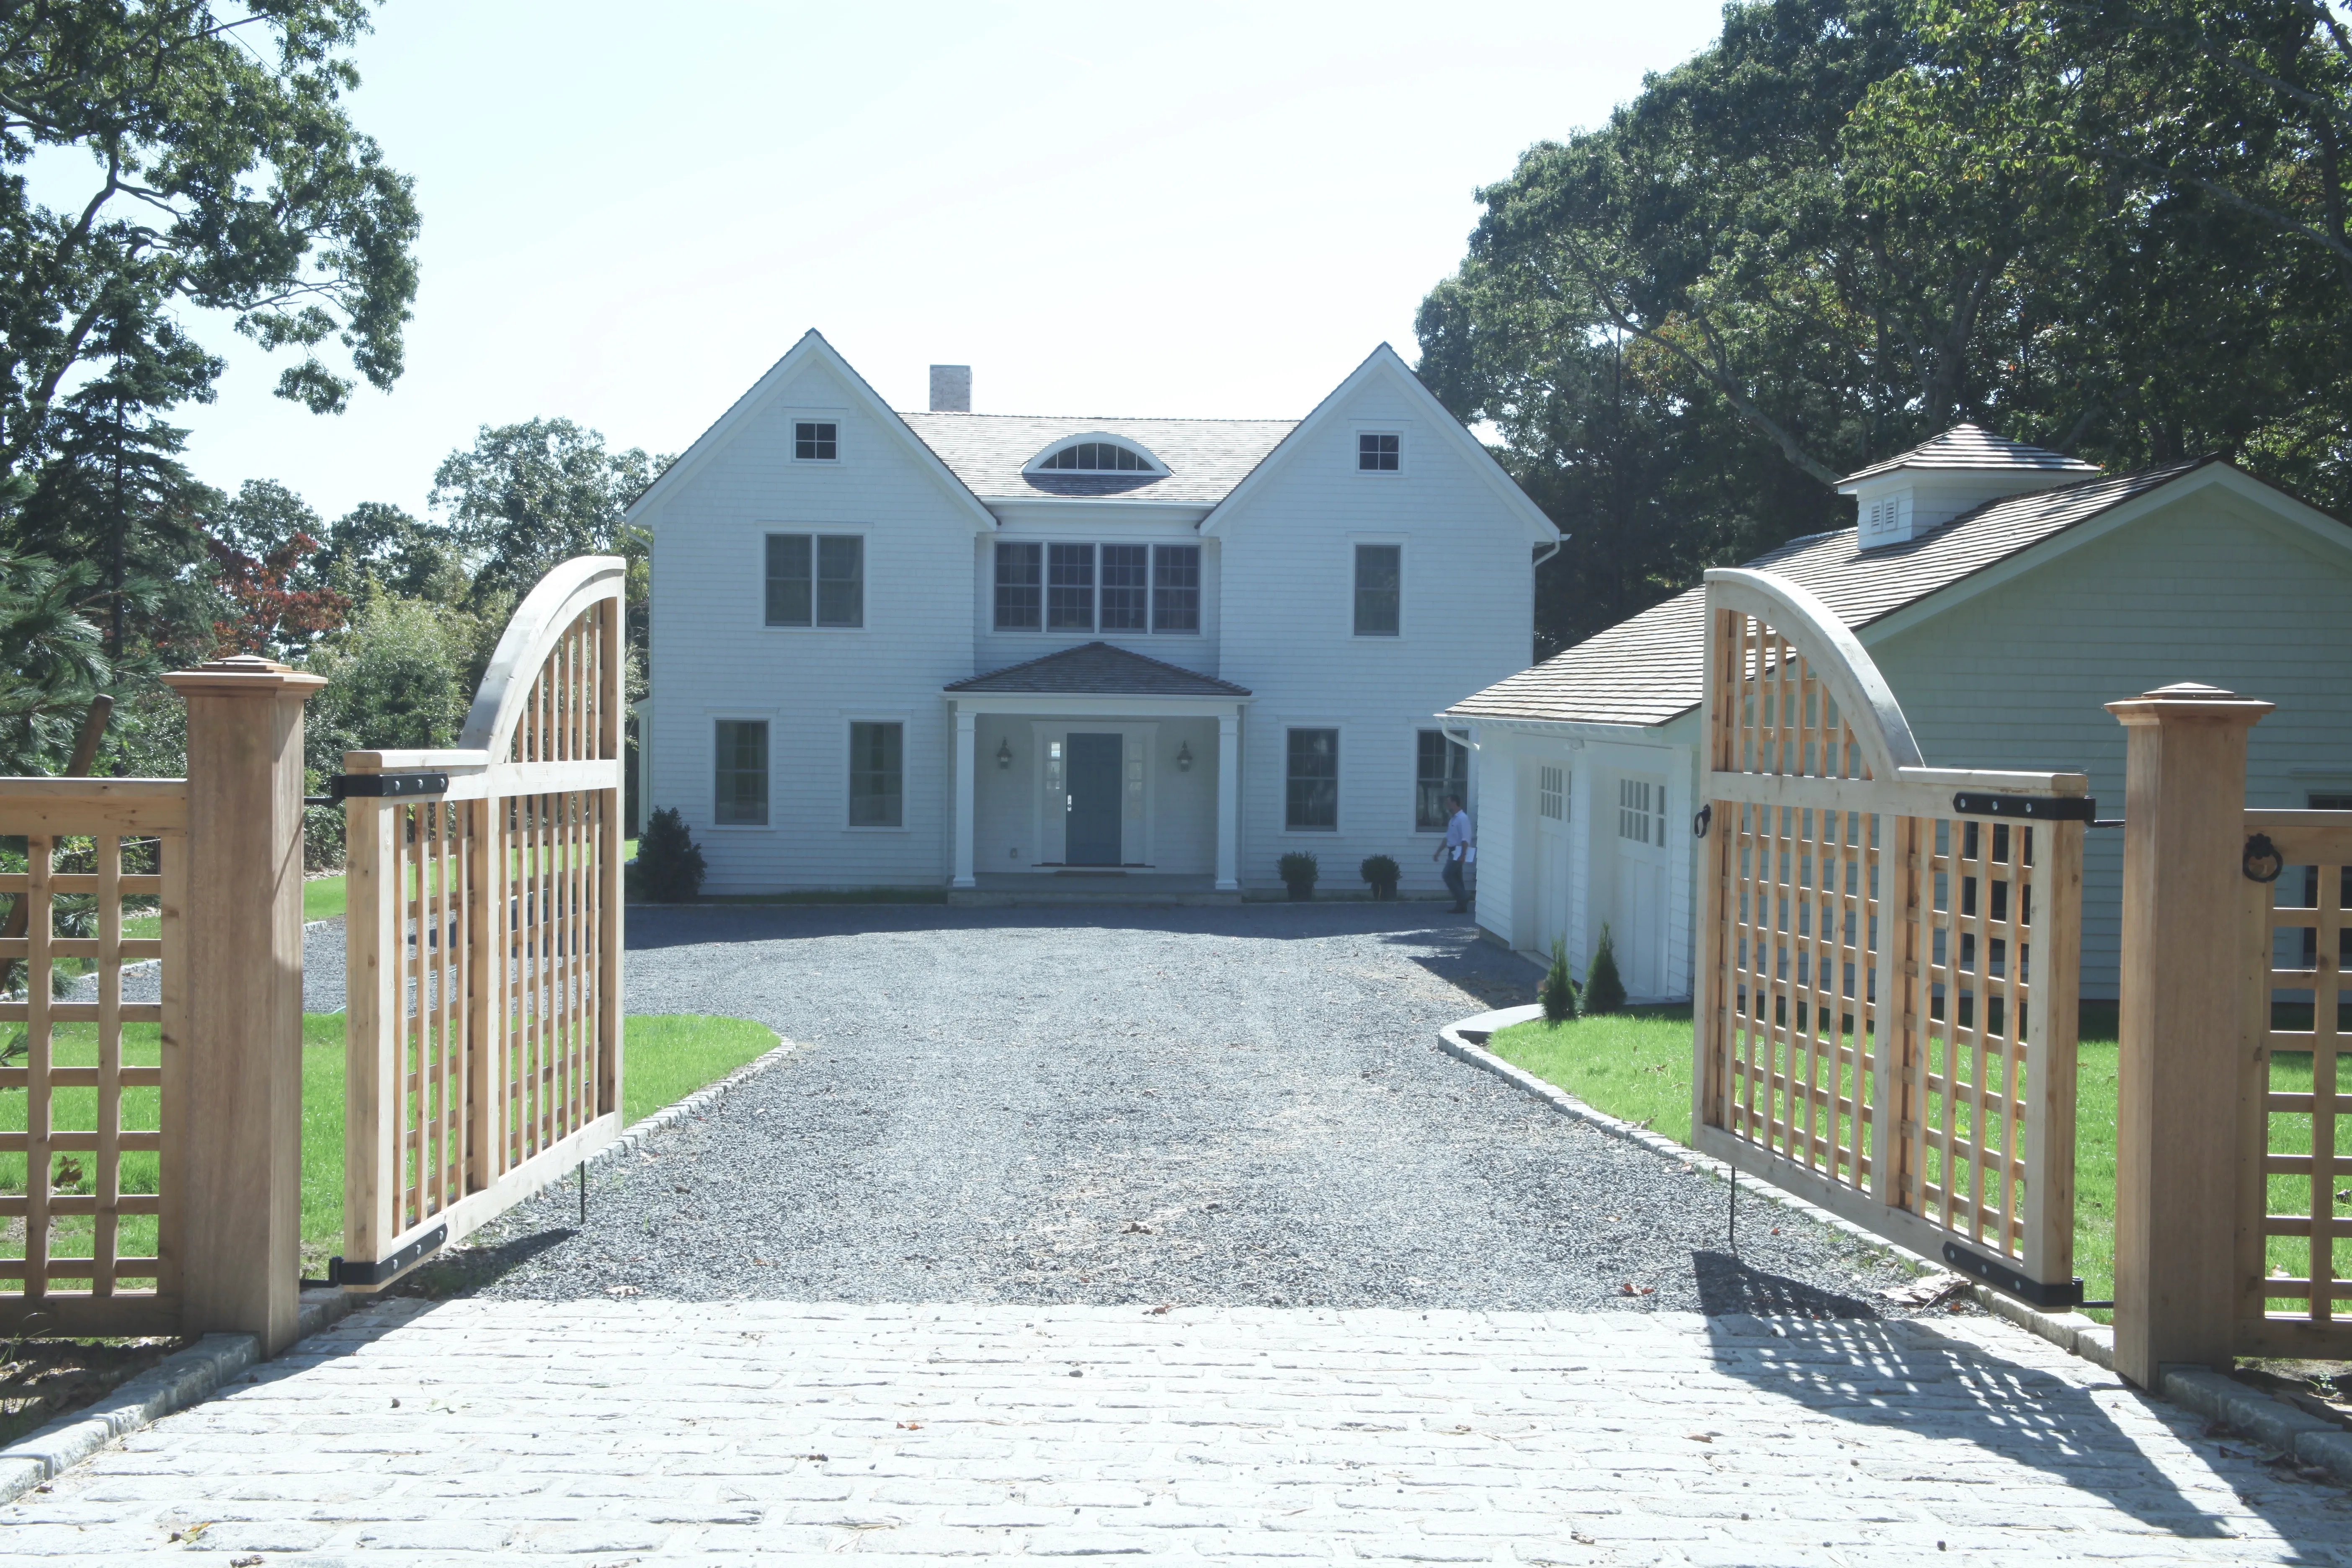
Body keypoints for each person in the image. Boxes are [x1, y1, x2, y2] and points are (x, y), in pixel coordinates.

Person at [1431, 793, 1473, 913]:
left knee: (1447, 875)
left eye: (1448, 802)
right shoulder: (1453, 819)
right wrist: (1438, 852)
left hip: (1458, 851)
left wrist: (1463, 855)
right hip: (1452, 850)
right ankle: (1461, 906)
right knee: (1457, 878)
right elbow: (1448, 838)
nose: (1447, 805)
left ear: (1455, 803)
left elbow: (1466, 839)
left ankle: (1464, 898)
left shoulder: (1462, 819)